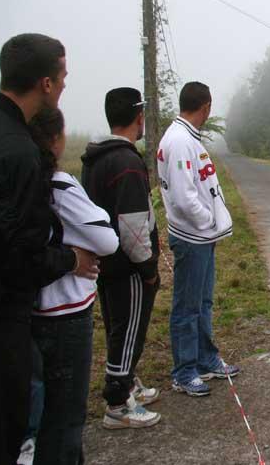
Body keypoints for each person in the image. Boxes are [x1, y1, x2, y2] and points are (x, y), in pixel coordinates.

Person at [0, 33, 98, 463]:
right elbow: (16, 255)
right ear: (46, 84)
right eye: (64, 76)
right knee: (9, 429)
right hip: (3, 321)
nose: (67, 84)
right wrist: (72, 258)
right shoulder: (20, 154)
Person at [26, 108, 119, 464]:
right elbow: (107, 240)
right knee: (66, 416)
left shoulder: (22, 182)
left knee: (42, 412)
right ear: (55, 139)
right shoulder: (60, 184)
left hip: (30, 310)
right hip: (66, 313)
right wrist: (74, 254)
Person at [81, 87, 161, 429]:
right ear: (138, 116)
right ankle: (118, 403)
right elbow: (132, 226)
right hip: (126, 265)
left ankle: (127, 383)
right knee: (128, 330)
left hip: (106, 262)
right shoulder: (126, 161)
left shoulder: (97, 157)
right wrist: (148, 268)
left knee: (118, 327)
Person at [157, 81, 238, 397]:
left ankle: (205, 359)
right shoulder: (179, 141)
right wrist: (208, 222)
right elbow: (183, 196)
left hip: (202, 237)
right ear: (205, 106)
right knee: (187, 306)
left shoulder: (187, 138)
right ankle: (184, 371)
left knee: (202, 302)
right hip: (192, 236)